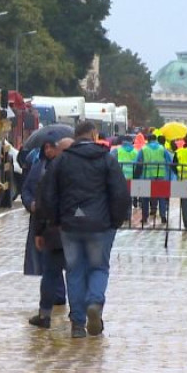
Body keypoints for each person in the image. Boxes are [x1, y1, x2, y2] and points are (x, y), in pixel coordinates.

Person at [39, 121, 130, 338]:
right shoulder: (107, 159)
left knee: (75, 271)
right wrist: (115, 221)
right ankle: (95, 303)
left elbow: (48, 193)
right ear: (93, 134)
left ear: (76, 136)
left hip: (70, 225)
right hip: (100, 225)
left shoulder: (61, 161)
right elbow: (119, 193)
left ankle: (78, 323)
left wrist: (55, 220)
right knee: (98, 268)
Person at [24, 137, 74, 328]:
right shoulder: (41, 168)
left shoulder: (63, 172)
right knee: (57, 270)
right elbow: (30, 192)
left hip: (58, 228)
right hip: (58, 229)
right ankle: (75, 317)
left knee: (63, 271)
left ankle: (53, 314)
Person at [136, 134, 171, 225]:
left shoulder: (143, 149)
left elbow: (137, 162)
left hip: (147, 176)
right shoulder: (162, 149)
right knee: (161, 197)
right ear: (156, 140)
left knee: (145, 198)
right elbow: (169, 161)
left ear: (148, 140)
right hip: (160, 176)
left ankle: (144, 217)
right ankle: (163, 216)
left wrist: (137, 175)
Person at [113, 133, 140, 209]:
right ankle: (128, 214)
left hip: (120, 177)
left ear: (122, 142)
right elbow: (139, 164)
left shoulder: (117, 150)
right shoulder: (136, 151)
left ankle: (123, 214)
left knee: (121, 196)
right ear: (132, 142)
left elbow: (111, 161)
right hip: (132, 176)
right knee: (130, 195)